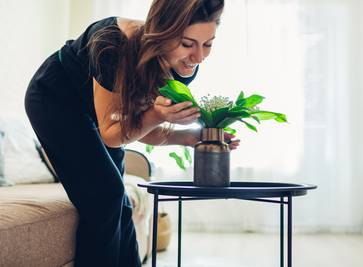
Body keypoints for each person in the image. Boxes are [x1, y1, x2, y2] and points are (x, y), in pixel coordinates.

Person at [25, 0, 240, 266]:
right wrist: (157, 115)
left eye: (208, 44)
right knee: (106, 195)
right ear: (163, 31)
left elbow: (135, 128)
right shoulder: (112, 45)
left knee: (120, 200)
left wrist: (189, 138)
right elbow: (113, 134)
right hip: (54, 99)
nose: (199, 57)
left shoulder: (181, 65)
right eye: (187, 44)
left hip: (99, 115)